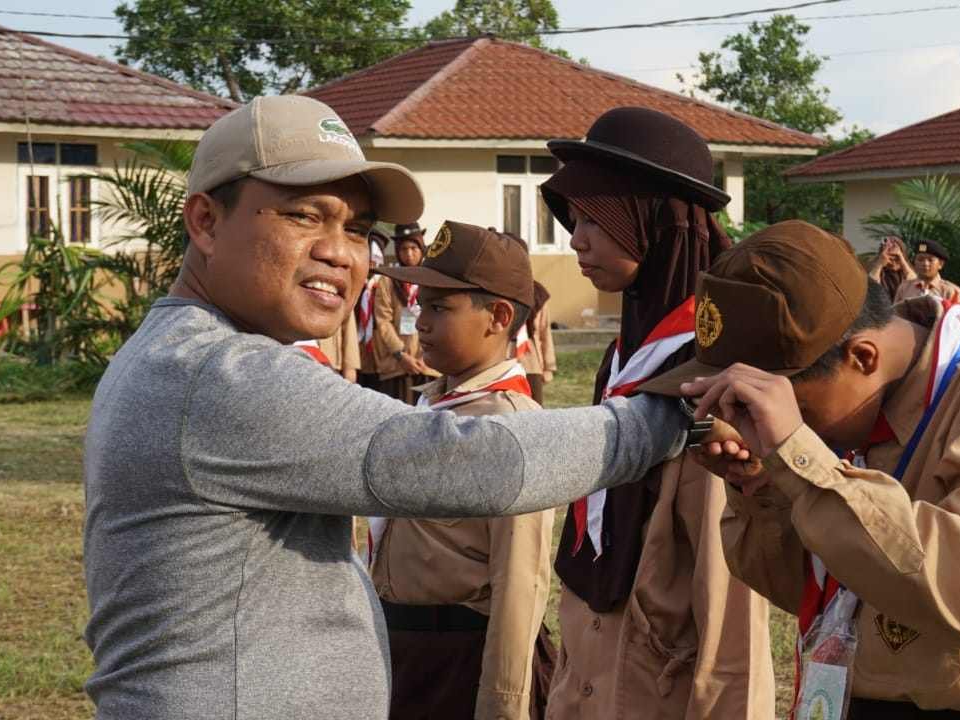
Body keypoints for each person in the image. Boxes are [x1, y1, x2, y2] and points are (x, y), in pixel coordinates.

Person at [82, 96, 721, 720]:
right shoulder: (219, 375)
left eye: (358, 230)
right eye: (305, 215)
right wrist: (670, 418)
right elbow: (478, 463)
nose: (340, 251)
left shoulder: (185, 355)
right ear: (206, 222)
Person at [642, 220, 960, 720]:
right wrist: (761, 485)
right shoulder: (849, 420)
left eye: (801, 411)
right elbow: (797, 590)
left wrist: (799, 453)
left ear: (861, 356)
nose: (778, 430)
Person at [539, 106, 774, 719]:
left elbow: (730, 616)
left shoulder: (716, 373)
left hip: (658, 685)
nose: (576, 239)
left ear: (652, 224)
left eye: (596, 218)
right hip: (590, 677)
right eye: (575, 217)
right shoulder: (628, 356)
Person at [369, 221, 555, 720]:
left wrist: (503, 706)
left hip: (460, 658)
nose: (419, 321)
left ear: (496, 316)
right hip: (406, 652)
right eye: (419, 303)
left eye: (438, 307)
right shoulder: (433, 406)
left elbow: (520, 585)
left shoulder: (510, 428)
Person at [373, 222, 437, 403]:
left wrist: (429, 356)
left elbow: (441, 318)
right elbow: (383, 320)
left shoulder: (432, 278)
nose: (409, 254)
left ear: (421, 248)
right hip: (397, 366)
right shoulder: (389, 280)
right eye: (404, 249)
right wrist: (401, 355)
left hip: (428, 366)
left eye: (413, 248)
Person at [353, 229, 390, 390]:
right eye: (370, 258)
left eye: (376, 258)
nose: (372, 263)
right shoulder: (354, 282)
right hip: (358, 350)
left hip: (381, 353)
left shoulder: (385, 283)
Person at [518, 281, 557, 404]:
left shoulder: (537, 293)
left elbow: (544, 333)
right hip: (505, 365)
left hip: (531, 364)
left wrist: (548, 367)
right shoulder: (499, 289)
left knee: (534, 412)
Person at [893, 238, 960, 305]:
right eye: (920, 259)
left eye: (930, 260)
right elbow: (894, 314)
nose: (925, 264)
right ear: (915, 262)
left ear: (940, 264)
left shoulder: (951, 291)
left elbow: (957, 315)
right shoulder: (904, 288)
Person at [866, 235, 915, 301]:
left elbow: (915, 283)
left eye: (896, 257)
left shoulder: (906, 271)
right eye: (890, 256)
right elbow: (871, 285)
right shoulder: (875, 268)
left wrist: (901, 259)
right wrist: (879, 264)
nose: (893, 260)